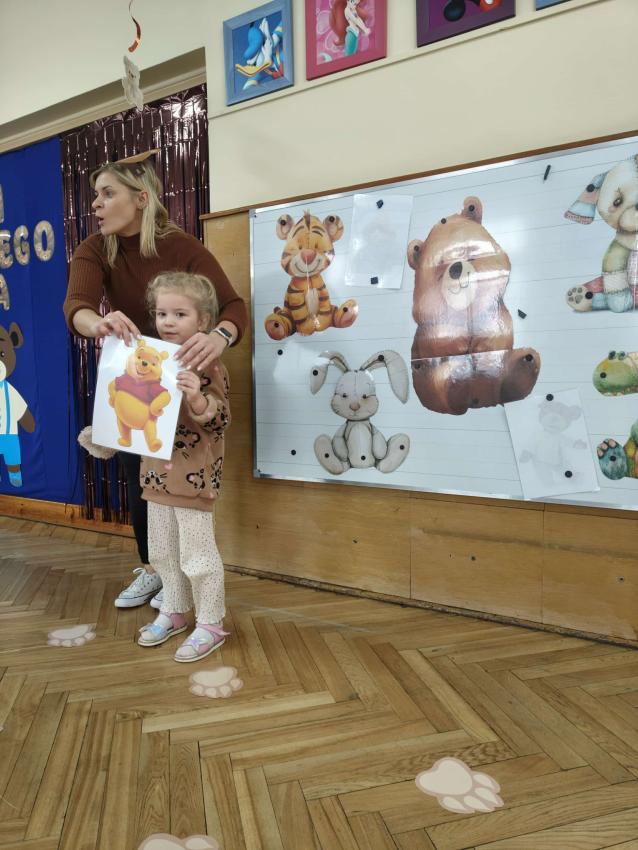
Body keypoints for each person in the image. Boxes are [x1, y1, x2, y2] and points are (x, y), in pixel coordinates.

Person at [63, 150, 246, 609]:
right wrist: (98, 323)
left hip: (185, 377)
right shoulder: (95, 248)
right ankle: (155, 571)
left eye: (108, 193)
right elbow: (77, 307)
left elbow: (233, 307)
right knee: (141, 478)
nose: (96, 204)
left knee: (186, 477)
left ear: (141, 198)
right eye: (95, 195)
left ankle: (187, 581)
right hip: (136, 378)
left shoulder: (181, 246)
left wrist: (219, 337)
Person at [137, 271, 230, 661]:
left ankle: (211, 622)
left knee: (198, 555)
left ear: (203, 320)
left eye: (180, 314)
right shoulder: (149, 358)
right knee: (162, 551)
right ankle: (174, 610)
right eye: (162, 314)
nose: (168, 322)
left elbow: (220, 419)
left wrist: (197, 400)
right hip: (155, 475)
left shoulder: (209, 364)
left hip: (193, 478)